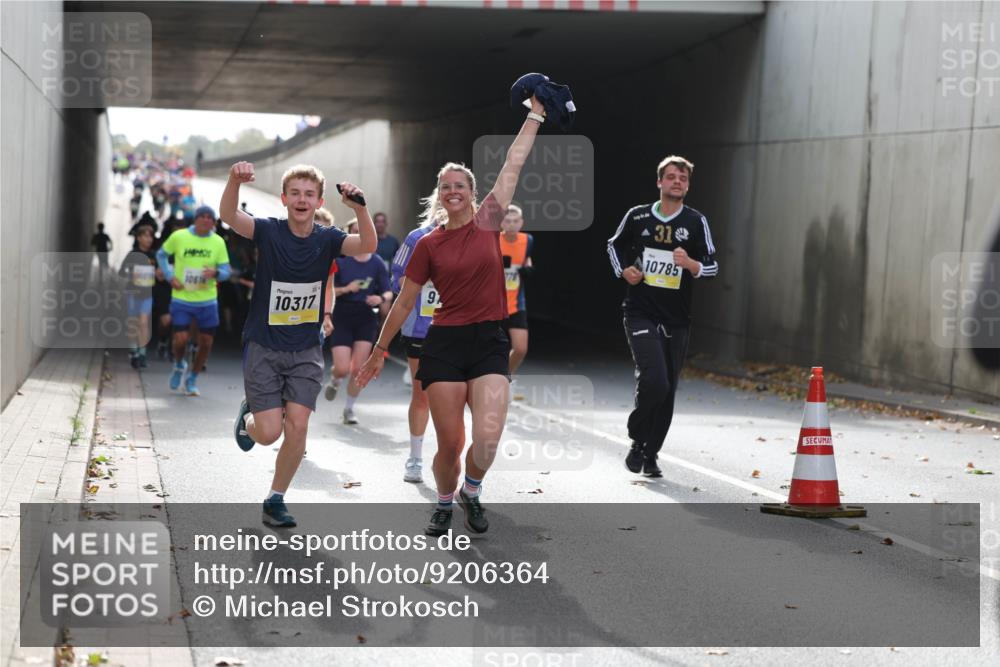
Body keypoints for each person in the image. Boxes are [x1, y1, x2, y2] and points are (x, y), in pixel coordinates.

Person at [357, 95, 546, 537]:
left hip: (487, 342)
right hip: (444, 345)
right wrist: (379, 351)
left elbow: (513, 165)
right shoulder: (428, 245)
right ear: (439, 195)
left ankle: (471, 491)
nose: (454, 192)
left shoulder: (489, 222)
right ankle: (444, 502)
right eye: (447, 186)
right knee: (452, 444)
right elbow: (404, 301)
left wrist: (534, 114)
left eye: (461, 185)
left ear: (473, 193)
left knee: (488, 437)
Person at [224, 161, 375, 528]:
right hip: (263, 344)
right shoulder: (268, 231)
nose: (302, 199)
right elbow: (229, 215)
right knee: (269, 432)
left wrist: (359, 207)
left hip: (305, 348)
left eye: (309, 194)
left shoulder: (328, 238)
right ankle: (249, 418)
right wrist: (233, 181)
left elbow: (367, 244)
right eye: (295, 193)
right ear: (284, 199)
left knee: (298, 427)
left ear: (320, 200)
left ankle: (276, 498)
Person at [606, 155, 719, 477]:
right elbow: (613, 246)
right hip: (640, 312)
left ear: (688, 185)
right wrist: (624, 272)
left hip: (677, 319)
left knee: (667, 388)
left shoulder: (696, 222)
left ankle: (649, 452)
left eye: (683, 178)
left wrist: (691, 265)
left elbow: (712, 267)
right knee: (654, 379)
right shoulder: (638, 216)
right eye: (671, 177)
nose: (677, 182)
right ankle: (637, 436)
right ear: (659, 182)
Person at [389, 202, 446, 483]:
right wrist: (422, 280)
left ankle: (448, 459)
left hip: (457, 328)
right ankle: (415, 458)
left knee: (452, 399)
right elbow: (395, 278)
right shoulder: (416, 238)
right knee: (422, 394)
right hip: (420, 329)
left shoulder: (473, 238)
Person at [156, 205, 231, 396]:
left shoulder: (218, 242)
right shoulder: (179, 236)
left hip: (207, 301)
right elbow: (161, 254)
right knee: (180, 339)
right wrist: (169, 274)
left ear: (214, 222)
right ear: (195, 219)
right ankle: (179, 363)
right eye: (202, 216)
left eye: (210, 217)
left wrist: (215, 273)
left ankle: (192, 377)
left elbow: (226, 272)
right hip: (182, 297)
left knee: (206, 342)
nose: (206, 220)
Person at [324, 219, 392, 425]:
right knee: (343, 368)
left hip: (365, 317)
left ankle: (349, 409)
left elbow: (389, 291)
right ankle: (335, 379)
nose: (359, 236)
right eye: (355, 232)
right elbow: (328, 291)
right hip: (343, 315)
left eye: (362, 232)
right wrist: (347, 289)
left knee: (358, 369)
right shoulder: (341, 261)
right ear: (349, 235)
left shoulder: (377, 262)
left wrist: (379, 298)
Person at [498, 204, 534, 379]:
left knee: (520, 348)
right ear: (501, 223)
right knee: (490, 349)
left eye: (515, 221)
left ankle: (506, 376)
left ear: (521, 223)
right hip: (493, 304)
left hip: (516, 304)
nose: (511, 224)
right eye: (507, 221)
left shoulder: (527, 240)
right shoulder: (493, 240)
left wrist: (528, 269)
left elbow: (527, 260)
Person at [118, 225, 157, 369]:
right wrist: (131, 275)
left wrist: (159, 274)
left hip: (147, 295)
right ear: (139, 238)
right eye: (145, 236)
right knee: (133, 324)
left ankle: (142, 354)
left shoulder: (154, 255)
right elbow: (121, 272)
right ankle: (133, 350)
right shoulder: (132, 254)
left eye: (150, 236)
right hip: (133, 294)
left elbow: (158, 274)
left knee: (143, 323)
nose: (148, 239)